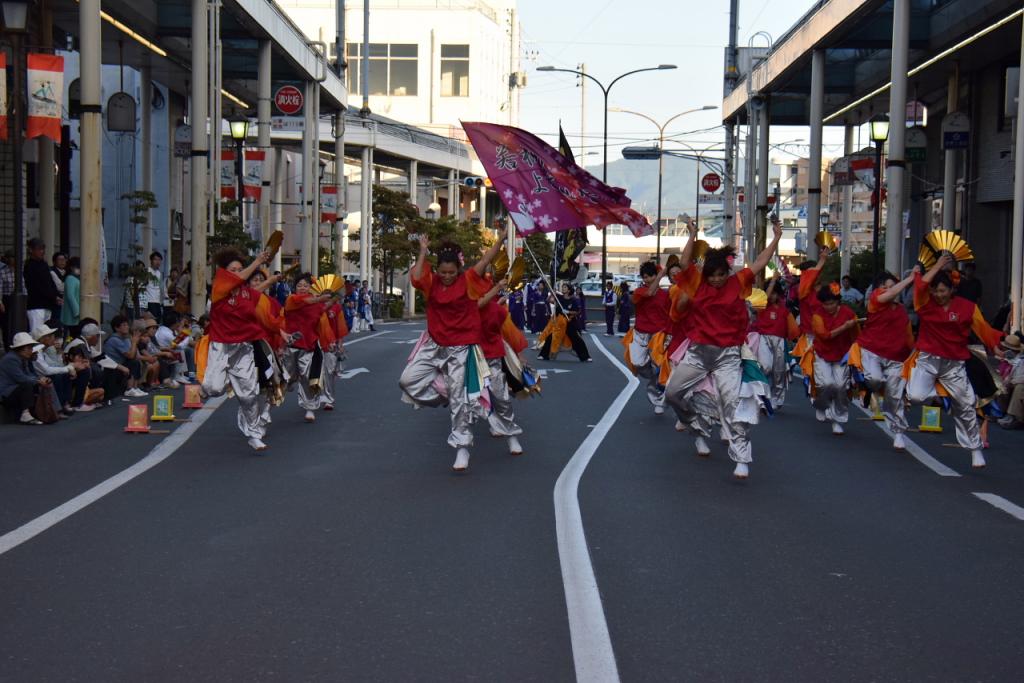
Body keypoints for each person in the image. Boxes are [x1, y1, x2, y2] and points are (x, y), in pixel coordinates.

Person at [664, 216, 783, 479]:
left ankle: (742, 459)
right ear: (706, 274)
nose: (717, 280)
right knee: (672, 393)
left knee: (732, 405)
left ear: (727, 273)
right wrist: (692, 235)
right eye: (713, 276)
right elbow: (684, 263)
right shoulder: (697, 284)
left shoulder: (737, 282)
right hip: (698, 353)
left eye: (721, 275)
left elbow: (761, 262)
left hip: (728, 356)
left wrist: (776, 238)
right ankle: (694, 425)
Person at [399, 234, 506, 472]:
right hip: (435, 345)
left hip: (461, 348)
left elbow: (486, 258)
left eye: (451, 272)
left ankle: (462, 448)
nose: (447, 277)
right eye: (443, 272)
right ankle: (446, 393)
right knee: (407, 381)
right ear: (438, 270)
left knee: (461, 402)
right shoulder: (432, 282)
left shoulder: (467, 279)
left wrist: (501, 240)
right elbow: (416, 277)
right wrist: (423, 251)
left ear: (458, 270)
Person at [906, 253, 1005, 468]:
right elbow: (921, 286)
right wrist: (939, 265)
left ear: (952, 290)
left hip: (954, 363)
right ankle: (942, 397)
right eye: (935, 290)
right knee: (914, 396)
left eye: (943, 290)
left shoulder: (967, 307)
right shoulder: (924, 304)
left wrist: (995, 346)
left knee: (967, 406)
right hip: (928, 360)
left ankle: (975, 449)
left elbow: (982, 328)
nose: (938, 294)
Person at [200, 247, 279, 452]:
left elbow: (255, 294)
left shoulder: (245, 291)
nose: (237, 272)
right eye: (233, 270)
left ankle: (253, 434)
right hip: (221, 346)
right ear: (225, 273)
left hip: (244, 346)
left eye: (240, 269)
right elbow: (238, 279)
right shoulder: (219, 287)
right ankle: (212, 383)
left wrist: (268, 282)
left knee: (248, 395)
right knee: (214, 389)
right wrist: (257, 261)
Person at [851, 270, 916, 449]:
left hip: (896, 357)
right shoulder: (875, 303)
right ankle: (866, 387)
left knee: (895, 396)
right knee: (875, 379)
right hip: (872, 351)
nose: (889, 290)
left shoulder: (902, 311)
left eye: (892, 287)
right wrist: (909, 279)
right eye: (884, 288)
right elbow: (885, 297)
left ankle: (898, 433)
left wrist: (913, 355)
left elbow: (908, 336)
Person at [477, 276, 527, 456]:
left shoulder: (498, 311)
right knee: (471, 400)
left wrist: (519, 354)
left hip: (492, 357)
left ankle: (512, 436)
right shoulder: (465, 309)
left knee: (501, 397)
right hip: (469, 359)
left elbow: (510, 333)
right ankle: (463, 447)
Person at [283, 272, 336, 423]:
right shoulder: (291, 300)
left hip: (309, 346)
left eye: (306, 285)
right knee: (286, 379)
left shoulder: (317, 306)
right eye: (299, 285)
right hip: (291, 346)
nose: (302, 288)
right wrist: (320, 298)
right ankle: (268, 404)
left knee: (307, 377)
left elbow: (324, 311)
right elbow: (306, 302)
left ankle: (310, 408)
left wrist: (335, 295)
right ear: (294, 288)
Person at [809, 284, 860, 435]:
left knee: (840, 387)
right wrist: (845, 327)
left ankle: (837, 420)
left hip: (842, 355)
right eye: (825, 304)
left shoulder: (849, 313)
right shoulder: (817, 315)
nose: (828, 307)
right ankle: (821, 405)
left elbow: (857, 336)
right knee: (825, 384)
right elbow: (825, 336)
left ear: (838, 301)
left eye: (832, 303)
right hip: (822, 353)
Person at [625, 261, 671, 413]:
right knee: (637, 363)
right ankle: (655, 378)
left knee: (661, 369)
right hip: (640, 333)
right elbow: (650, 292)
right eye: (644, 277)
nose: (646, 279)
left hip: (659, 336)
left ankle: (660, 400)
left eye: (649, 276)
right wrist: (660, 276)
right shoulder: (639, 292)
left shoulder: (666, 295)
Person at [752, 275, 799, 410]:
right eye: (769, 293)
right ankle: (763, 396)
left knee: (779, 372)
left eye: (774, 293)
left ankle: (776, 397)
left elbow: (793, 330)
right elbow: (764, 297)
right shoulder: (762, 307)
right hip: (763, 339)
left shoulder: (784, 311)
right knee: (765, 367)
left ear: (779, 294)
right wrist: (772, 281)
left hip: (779, 341)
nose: (771, 296)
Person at [32, 323, 88, 416]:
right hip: (39, 378)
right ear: (42, 339)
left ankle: (71, 403)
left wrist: (59, 354)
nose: (53, 337)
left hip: (48, 374)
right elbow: (47, 370)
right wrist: (69, 368)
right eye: (49, 336)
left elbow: (56, 365)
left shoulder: (46, 350)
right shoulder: (37, 351)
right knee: (59, 376)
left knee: (75, 372)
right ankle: (60, 406)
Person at [0, 333, 53, 424]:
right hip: (7, 393)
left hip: (16, 389)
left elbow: (29, 374)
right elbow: (21, 378)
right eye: (29, 348)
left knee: (39, 383)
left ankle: (39, 412)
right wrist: (38, 381)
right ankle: (25, 414)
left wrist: (41, 379)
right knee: (27, 384)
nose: (31, 351)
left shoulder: (22, 358)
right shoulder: (11, 359)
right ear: (21, 348)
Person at [537, 282, 592, 362]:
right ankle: (543, 355)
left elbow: (577, 311)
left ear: (569, 290)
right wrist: (552, 293)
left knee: (576, 338)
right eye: (562, 287)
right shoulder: (559, 297)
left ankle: (585, 357)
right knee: (550, 337)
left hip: (569, 321)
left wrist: (568, 312)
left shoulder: (573, 300)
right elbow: (549, 300)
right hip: (559, 322)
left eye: (565, 287)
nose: (563, 288)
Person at [104, 314, 146, 398]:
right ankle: (129, 389)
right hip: (113, 368)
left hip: (123, 364)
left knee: (136, 362)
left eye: (127, 324)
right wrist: (134, 342)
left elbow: (133, 355)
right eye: (124, 325)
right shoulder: (114, 339)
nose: (127, 327)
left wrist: (133, 341)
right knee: (133, 362)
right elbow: (130, 356)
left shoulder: (126, 338)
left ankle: (135, 387)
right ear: (116, 328)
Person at [25, 238, 60, 331]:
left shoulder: (43, 264)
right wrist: (53, 296)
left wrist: (56, 295)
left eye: (43, 249)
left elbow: (50, 282)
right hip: (36, 305)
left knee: (46, 335)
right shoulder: (29, 265)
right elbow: (38, 286)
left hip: (47, 304)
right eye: (39, 249)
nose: (42, 251)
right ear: (31, 250)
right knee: (37, 333)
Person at [61, 257, 82, 336]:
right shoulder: (71, 278)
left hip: (73, 315)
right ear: (71, 267)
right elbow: (70, 296)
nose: (79, 269)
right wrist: (77, 312)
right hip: (73, 315)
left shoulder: (74, 278)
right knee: (73, 335)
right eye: (77, 267)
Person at [50, 252, 67, 331]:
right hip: (57, 303)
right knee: (58, 324)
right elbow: (60, 287)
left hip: (66, 304)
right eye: (60, 260)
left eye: (64, 260)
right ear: (54, 261)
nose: (62, 262)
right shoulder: (52, 272)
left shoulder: (66, 272)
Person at [145, 252, 165, 319]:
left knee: (158, 319)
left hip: (157, 301)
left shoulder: (160, 273)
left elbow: (161, 288)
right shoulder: (147, 271)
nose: (157, 262)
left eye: (159, 260)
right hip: (149, 300)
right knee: (152, 320)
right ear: (151, 261)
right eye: (155, 259)